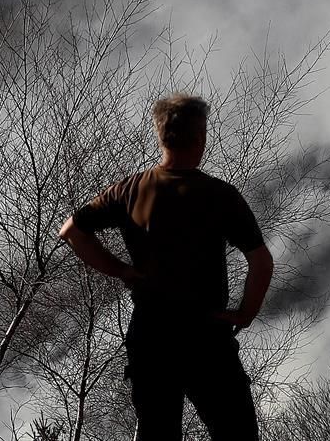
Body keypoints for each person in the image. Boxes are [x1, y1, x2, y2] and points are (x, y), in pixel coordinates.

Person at [59, 94, 273, 441]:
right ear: (201, 137)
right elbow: (261, 263)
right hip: (207, 339)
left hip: (151, 339)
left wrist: (123, 271)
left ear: (161, 136)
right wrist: (246, 313)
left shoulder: (129, 190)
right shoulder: (219, 196)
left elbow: (71, 232)